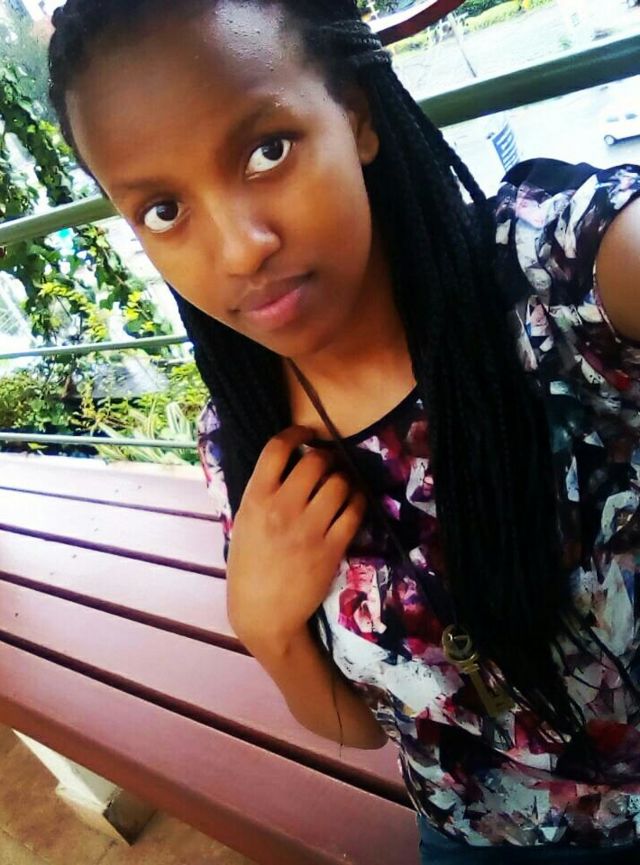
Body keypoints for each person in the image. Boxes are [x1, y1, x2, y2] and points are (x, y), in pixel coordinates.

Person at [46, 0, 640, 860]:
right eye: (164, 209)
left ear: (355, 114)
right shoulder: (246, 442)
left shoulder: (554, 281)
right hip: (480, 838)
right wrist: (266, 626)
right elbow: (371, 731)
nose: (241, 249)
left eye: (267, 150)